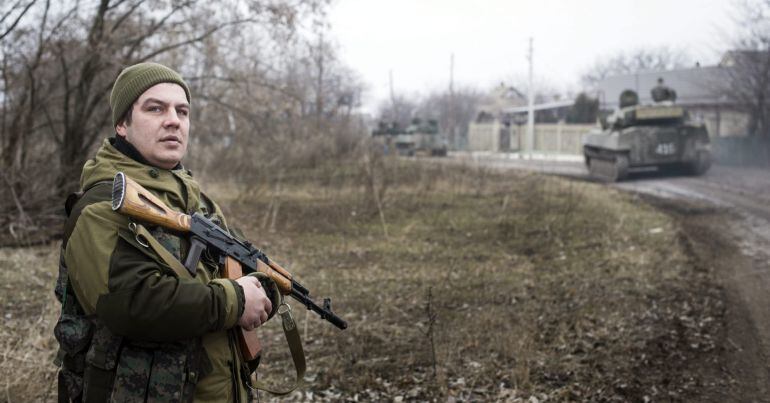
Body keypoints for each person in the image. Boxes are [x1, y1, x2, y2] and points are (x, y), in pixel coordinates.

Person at [53, 62, 274, 402]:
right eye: (155, 108)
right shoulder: (102, 206)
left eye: (182, 111)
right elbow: (132, 304)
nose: (173, 120)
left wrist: (266, 292)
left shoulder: (198, 203)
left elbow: (250, 268)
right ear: (122, 125)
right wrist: (236, 299)